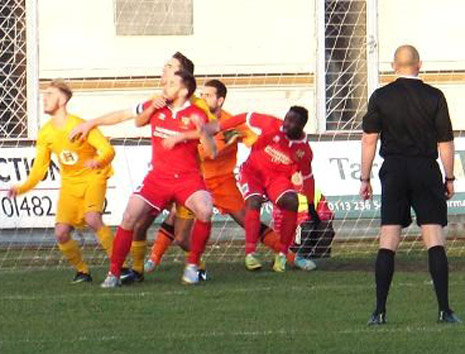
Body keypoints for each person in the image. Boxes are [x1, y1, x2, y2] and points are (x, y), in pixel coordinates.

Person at [69, 52, 214, 283]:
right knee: (136, 220)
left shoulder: (197, 107)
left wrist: (185, 135)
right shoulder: (158, 100)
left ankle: (197, 266)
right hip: (160, 176)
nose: (164, 71)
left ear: (183, 80)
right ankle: (128, 270)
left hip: (188, 177)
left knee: (182, 237)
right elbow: (133, 118)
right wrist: (92, 122)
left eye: (170, 67)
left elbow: (211, 136)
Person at [145, 80, 316, 272]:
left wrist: (265, 148)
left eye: (208, 95)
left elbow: (253, 138)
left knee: (248, 219)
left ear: (220, 100)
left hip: (223, 182)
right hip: (195, 180)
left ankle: (289, 256)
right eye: (202, 94)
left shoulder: (230, 122)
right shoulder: (193, 116)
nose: (203, 98)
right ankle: (154, 259)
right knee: (177, 225)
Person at [360, 45, 461, 324]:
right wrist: (449, 177)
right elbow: (445, 142)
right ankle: (444, 310)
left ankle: (379, 311)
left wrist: (365, 177)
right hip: (425, 169)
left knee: (388, 240)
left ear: (394, 66)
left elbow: (369, 139)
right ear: (419, 64)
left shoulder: (381, 96)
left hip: (394, 170)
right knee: (434, 239)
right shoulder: (434, 96)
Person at [7, 80, 115, 283]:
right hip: (70, 185)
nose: (44, 98)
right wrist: (21, 189)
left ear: (63, 99)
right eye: (44, 94)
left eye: (50, 94)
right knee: (61, 233)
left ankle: (120, 266)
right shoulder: (46, 132)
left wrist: (97, 161)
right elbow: (40, 169)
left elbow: (108, 150)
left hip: (93, 178)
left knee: (93, 218)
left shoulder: (80, 125)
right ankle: (83, 271)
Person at [205, 106, 317, 272]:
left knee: (292, 202)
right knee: (253, 201)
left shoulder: (304, 151)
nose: (286, 124)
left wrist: (310, 205)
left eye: (292, 122)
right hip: (252, 173)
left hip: (277, 180)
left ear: (301, 126)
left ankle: (282, 255)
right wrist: (219, 128)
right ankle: (250, 254)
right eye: (287, 118)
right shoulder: (271, 123)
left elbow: (308, 178)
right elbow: (245, 115)